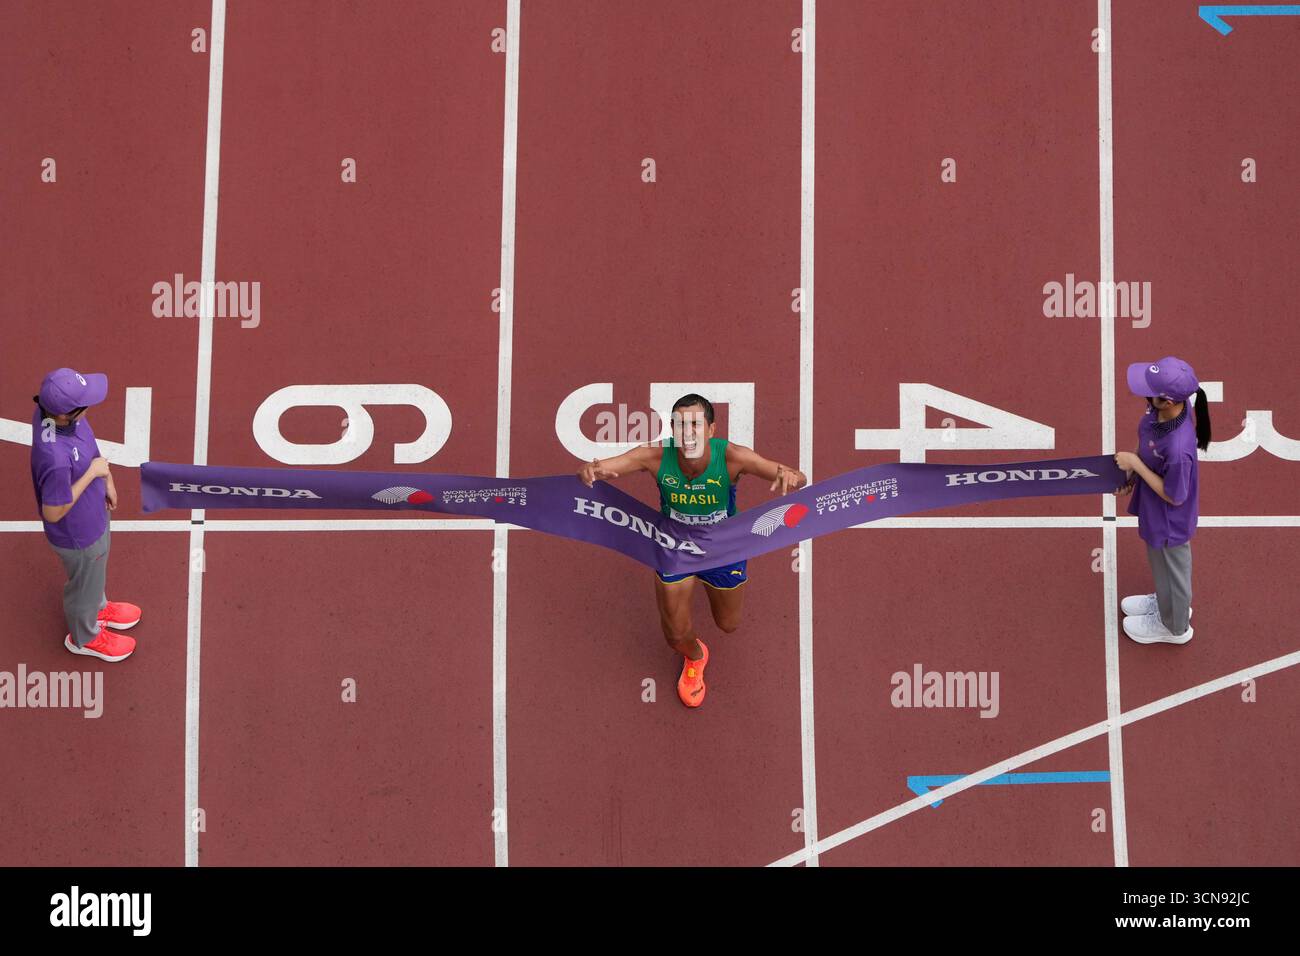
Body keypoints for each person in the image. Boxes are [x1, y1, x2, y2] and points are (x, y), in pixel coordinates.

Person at [577, 394, 807, 708]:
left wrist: (790, 476)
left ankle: (707, 584)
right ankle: (696, 657)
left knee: (728, 624)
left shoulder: (733, 458)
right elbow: (604, 467)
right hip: (676, 546)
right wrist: (592, 470)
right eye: (681, 424)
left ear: (711, 429)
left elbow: (797, 476)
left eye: (696, 424)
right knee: (674, 635)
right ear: (672, 429)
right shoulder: (655, 456)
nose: (689, 431)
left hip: (722, 547)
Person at [30, 368, 142, 661]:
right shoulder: (55, 458)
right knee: (83, 587)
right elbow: (52, 512)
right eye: (85, 402)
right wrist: (93, 472)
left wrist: (107, 479)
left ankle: (98, 607)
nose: (91, 404)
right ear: (66, 414)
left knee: (93, 578)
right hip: (77, 534)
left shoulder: (54, 414)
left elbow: (88, 446)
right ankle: (84, 637)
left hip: (92, 515)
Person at [1113, 356, 1211, 645]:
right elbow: (1145, 444)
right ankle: (1164, 601)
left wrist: (1136, 465)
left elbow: (1175, 495)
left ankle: (1175, 626)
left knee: (1174, 572)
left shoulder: (1179, 449)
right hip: (1154, 507)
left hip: (1170, 518)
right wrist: (1131, 474)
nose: (1143, 393)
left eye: (1149, 390)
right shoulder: (1162, 411)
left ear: (1167, 401)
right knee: (1160, 564)